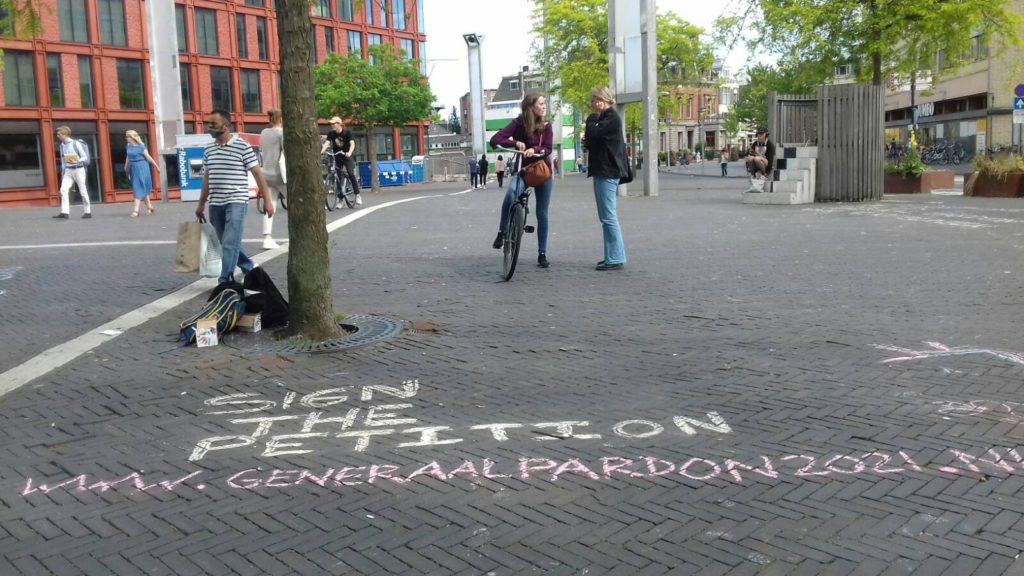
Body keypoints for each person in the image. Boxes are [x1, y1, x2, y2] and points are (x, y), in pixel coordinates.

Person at [195, 110, 274, 287]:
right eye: (209, 123)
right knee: (225, 242)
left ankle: (225, 280)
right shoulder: (209, 149)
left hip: (236, 201)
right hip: (215, 203)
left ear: (225, 126)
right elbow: (207, 178)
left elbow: (257, 173)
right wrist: (201, 204)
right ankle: (249, 266)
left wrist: (268, 200)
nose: (209, 127)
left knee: (230, 242)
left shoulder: (242, 146)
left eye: (213, 124)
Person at [490, 91, 554, 269]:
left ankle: (542, 253)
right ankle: (502, 233)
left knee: (542, 213)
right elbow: (495, 140)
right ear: (530, 106)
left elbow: (548, 148)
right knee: (511, 195)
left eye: (544, 104)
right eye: (540, 103)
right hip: (524, 170)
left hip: (542, 172)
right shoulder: (519, 123)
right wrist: (515, 143)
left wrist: (534, 149)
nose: (543, 106)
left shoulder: (546, 125)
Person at [584, 87, 628, 271]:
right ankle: (611, 255)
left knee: (609, 216)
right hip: (602, 170)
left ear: (607, 99)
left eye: (598, 100)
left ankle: (616, 257)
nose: (595, 104)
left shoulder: (611, 118)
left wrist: (591, 122)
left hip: (608, 170)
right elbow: (590, 138)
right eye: (593, 100)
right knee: (605, 217)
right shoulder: (604, 118)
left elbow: (593, 134)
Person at [259, 109, 286, 249]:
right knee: (297, 203)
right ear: (281, 119)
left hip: (266, 173)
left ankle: (267, 237)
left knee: (270, 206)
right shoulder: (282, 133)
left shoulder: (264, 133)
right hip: (280, 174)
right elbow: (286, 152)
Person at [319, 116, 362, 205]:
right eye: (331, 124)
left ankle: (357, 195)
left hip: (346, 156)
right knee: (338, 176)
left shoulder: (347, 132)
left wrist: (349, 152)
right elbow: (327, 144)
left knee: (350, 173)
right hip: (337, 156)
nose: (332, 125)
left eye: (334, 124)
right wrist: (321, 152)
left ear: (339, 124)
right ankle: (340, 199)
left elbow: (352, 144)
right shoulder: (331, 133)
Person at [53, 126, 92, 219]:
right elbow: (63, 160)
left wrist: (77, 160)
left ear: (65, 134)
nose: (57, 136)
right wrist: (63, 171)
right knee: (63, 190)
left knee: (83, 191)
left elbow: (85, 157)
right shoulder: (62, 145)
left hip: (79, 169)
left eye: (59, 134)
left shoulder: (76, 143)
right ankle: (64, 212)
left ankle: (88, 212)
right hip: (68, 170)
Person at [124, 130, 159, 217]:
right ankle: (149, 206)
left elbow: (148, 157)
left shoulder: (141, 146)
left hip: (142, 167)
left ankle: (136, 210)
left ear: (132, 137)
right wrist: (126, 167)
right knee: (141, 187)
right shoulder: (128, 146)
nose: (126, 138)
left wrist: (156, 166)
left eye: (127, 136)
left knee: (138, 187)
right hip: (133, 168)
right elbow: (128, 157)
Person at [744, 128, 776, 193]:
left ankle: (764, 174)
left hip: (765, 162)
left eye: (762, 134)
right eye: (759, 134)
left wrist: (768, 170)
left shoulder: (769, 144)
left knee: (757, 158)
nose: (760, 136)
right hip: (756, 161)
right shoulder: (755, 143)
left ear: (766, 135)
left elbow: (770, 158)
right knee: (750, 158)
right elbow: (750, 154)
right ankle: (753, 174)